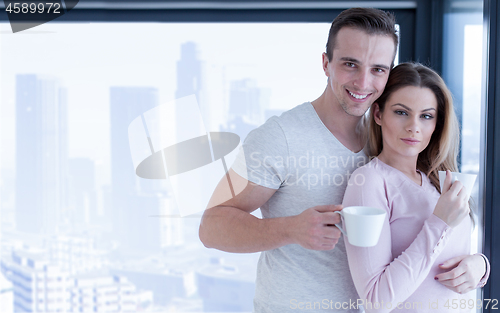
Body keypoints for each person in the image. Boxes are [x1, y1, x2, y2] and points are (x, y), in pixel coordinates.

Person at [199, 7, 398, 312]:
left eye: (378, 69)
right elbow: (211, 226)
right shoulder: (280, 137)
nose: (363, 82)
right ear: (325, 63)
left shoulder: (389, 139)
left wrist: (479, 265)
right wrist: (291, 229)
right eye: (350, 64)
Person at [342, 62, 490, 313]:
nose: (414, 127)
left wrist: (480, 266)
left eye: (426, 116)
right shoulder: (368, 183)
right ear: (378, 114)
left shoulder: (438, 181)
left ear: (436, 124)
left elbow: (451, 255)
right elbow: (376, 299)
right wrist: (439, 222)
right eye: (401, 112)